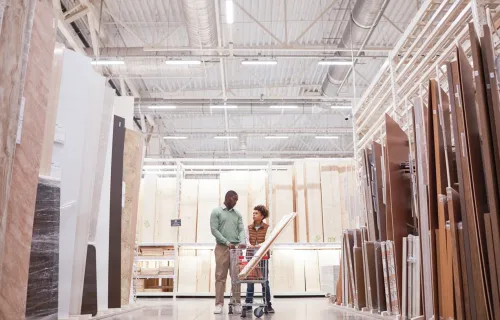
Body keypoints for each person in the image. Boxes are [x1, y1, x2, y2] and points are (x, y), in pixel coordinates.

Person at [210, 190, 246, 314]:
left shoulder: (237, 214)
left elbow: (241, 229)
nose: (235, 202)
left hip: (236, 248)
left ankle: (236, 302)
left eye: (236, 200)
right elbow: (214, 229)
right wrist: (226, 242)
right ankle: (219, 304)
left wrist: (242, 241)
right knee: (220, 276)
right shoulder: (216, 212)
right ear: (227, 197)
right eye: (234, 199)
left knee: (236, 276)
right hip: (222, 247)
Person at [242, 205, 275, 314]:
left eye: (256, 213)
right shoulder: (248, 227)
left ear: (262, 216)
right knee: (250, 281)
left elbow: (268, 241)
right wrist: (249, 245)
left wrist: (257, 246)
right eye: (253, 213)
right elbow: (246, 239)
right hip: (251, 256)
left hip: (263, 257)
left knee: (264, 281)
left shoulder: (267, 228)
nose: (253, 215)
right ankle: (248, 304)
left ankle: (268, 304)